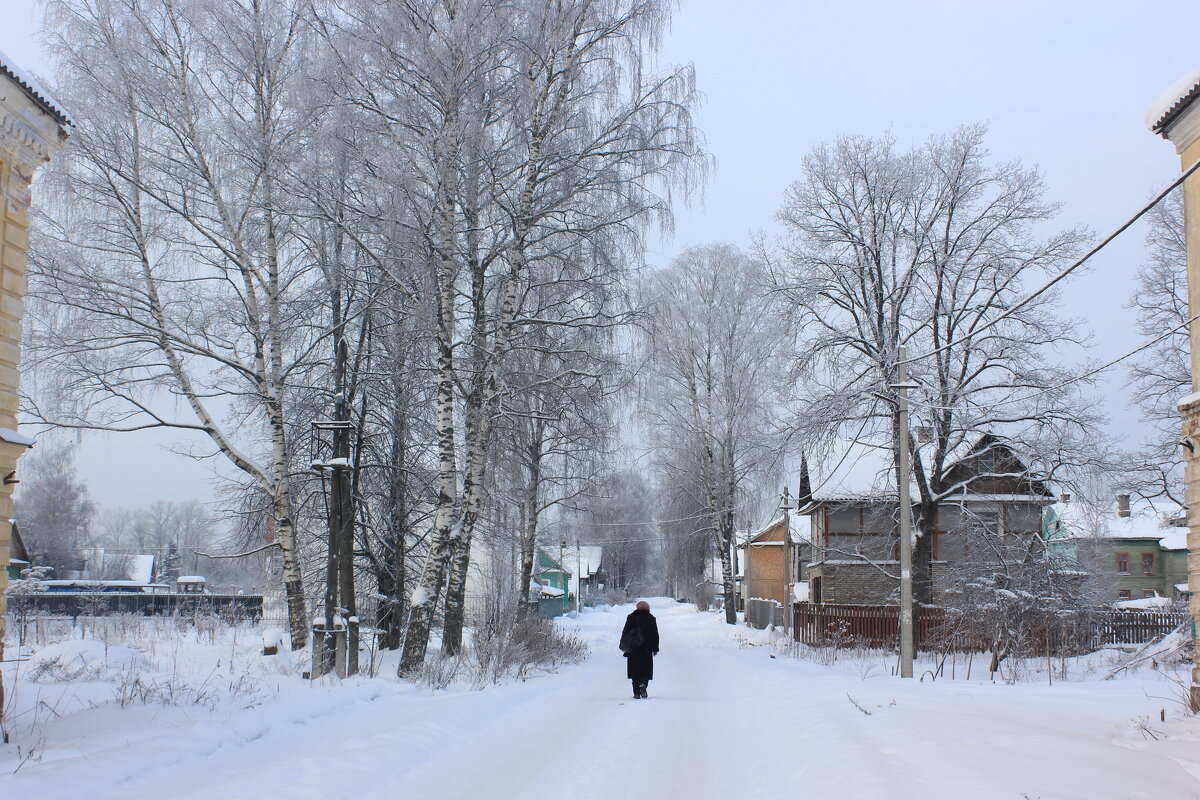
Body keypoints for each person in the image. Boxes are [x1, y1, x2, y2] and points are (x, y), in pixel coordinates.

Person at [620, 600, 659, 699]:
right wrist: (655, 648)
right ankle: (643, 684)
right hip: (647, 648)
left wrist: (625, 647)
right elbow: (655, 635)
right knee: (646, 669)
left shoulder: (631, 617)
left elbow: (625, 632)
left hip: (633, 649)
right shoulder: (651, 618)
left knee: (635, 671)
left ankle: (636, 693)